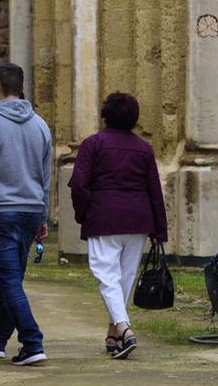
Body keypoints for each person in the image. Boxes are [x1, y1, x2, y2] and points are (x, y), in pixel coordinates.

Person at [69, 92, 168, 360]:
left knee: (106, 275)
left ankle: (124, 328)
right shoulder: (144, 149)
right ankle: (114, 334)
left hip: (104, 216)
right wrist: (160, 229)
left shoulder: (93, 144)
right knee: (123, 278)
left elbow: (79, 184)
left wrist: (84, 212)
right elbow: (153, 190)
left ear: (105, 115)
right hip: (138, 218)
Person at [0, 63, 53, 366]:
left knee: (10, 281)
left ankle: (32, 341)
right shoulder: (41, 126)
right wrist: (43, 216)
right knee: (12, 278)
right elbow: (45, 177)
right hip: (30, 210)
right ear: (22, 87)